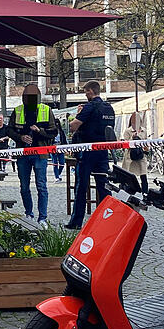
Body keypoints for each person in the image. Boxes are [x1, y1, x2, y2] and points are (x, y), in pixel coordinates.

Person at [7, 84, 57, 229]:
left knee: (41, 186)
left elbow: (54, 132)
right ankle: (29, 213)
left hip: (40, 153)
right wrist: (20, 137)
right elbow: (9, 130)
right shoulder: (17, 111)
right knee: (24, 187)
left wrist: (40, 130)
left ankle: (43, 217)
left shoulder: (46, 110)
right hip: (23, 153)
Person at [66, 81, 115, 230]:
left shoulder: (89, 107)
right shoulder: (109, 108)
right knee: (104, 187)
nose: (85, 95)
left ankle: (76, 222)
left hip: (86, 151)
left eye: (86, 92)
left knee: (81, 186)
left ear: (91, 91)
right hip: (102, 152)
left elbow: (73, 126)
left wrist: (77, 115)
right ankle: (106, 220)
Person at [122, 112, 148, 193]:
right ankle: (127, 193)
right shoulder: (127, 131)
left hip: (140, 155)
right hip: (130, 157)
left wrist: (146, 149)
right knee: (128, 176)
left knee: (143, 175)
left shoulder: (143, 130)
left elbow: (145, 142)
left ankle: (145, 194)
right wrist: (132, 138)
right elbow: (125, 144)